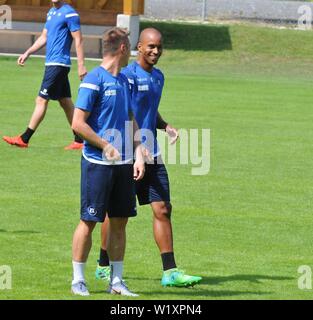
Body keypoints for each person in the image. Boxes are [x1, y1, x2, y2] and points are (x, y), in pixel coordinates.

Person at [95, 28, 202, 287]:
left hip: (152, 154)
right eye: (150, 46)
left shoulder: (159, 77)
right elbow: (124, 112)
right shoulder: (126, 76)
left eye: (159, 47)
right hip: (127, 154)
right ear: (139, 47)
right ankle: (103, 264)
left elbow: (149, 111)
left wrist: (165, 126)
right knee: (117, 214)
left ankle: (170, 272)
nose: (155, 51)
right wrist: (135, 149)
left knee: (163, 209)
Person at [71, 27, 145, 297]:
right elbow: (77, 123)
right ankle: (78, 280)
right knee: (88, 221)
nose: (133, 54)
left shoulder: (124, 81)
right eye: (131, 48)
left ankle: (116, 281)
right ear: (123, 49)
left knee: (119, 223)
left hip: (124, 165)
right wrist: (104, 145)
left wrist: (138, 153)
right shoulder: (93, 80)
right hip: (97, 165)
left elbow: (130, 119)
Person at [3, 0, 87, 150]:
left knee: (41, 100)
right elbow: (44, 37)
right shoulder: (51, 12)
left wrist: (81, 65)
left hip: (58, 64)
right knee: (65, 102)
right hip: (52, 63)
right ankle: (80, 140)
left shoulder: (70, 12)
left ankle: (24, 138)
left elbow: (78, 39)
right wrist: (27, 52)